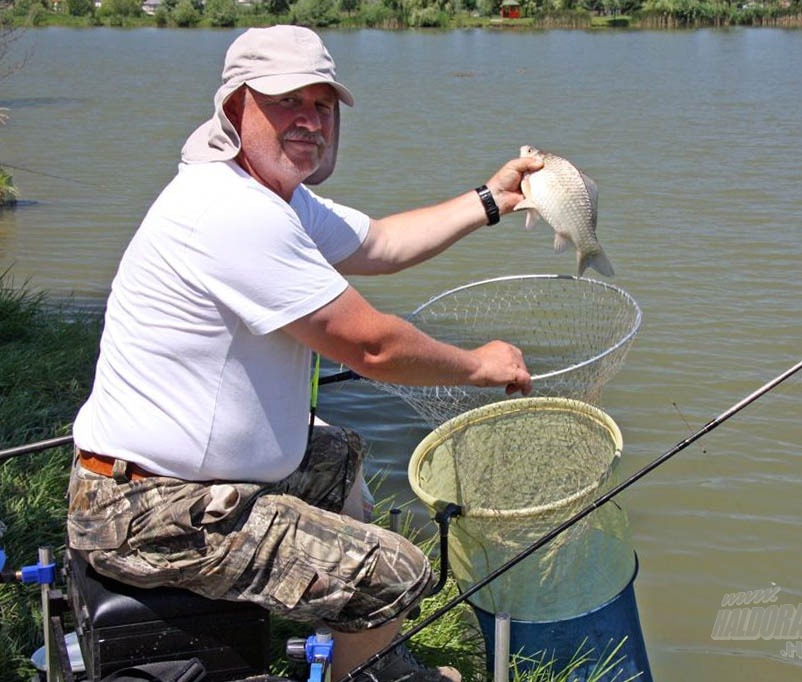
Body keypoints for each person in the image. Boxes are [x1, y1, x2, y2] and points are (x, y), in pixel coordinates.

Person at [67, 25, 540, 682]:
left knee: (334, 459)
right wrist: (480, 365)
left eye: (322, 105)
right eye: (287, 101)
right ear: (235, 108)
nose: (310, 121)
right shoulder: (231, 211)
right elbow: (372, 346)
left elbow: (378, 243)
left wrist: (488, 200)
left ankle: (361, 645)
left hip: (169, 484)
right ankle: (361, 667)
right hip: (144, 514)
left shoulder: (272, 196)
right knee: (398, 571)